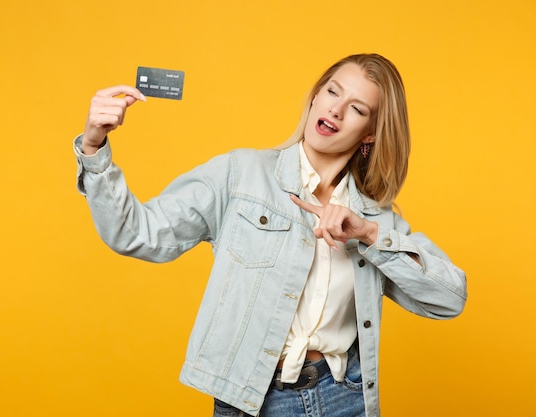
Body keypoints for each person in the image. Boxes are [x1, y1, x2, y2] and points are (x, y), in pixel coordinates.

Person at [73, 53, 467, 417]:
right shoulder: (241, 175)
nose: (336, 109)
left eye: (357, 108)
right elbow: (135, 234)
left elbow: (450, 298)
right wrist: (94, 148)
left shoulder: (374, 219)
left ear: (370, 134)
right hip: (251, 400)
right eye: (332, 91)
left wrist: (368, 235)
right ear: (315, 97)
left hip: (344, 399)